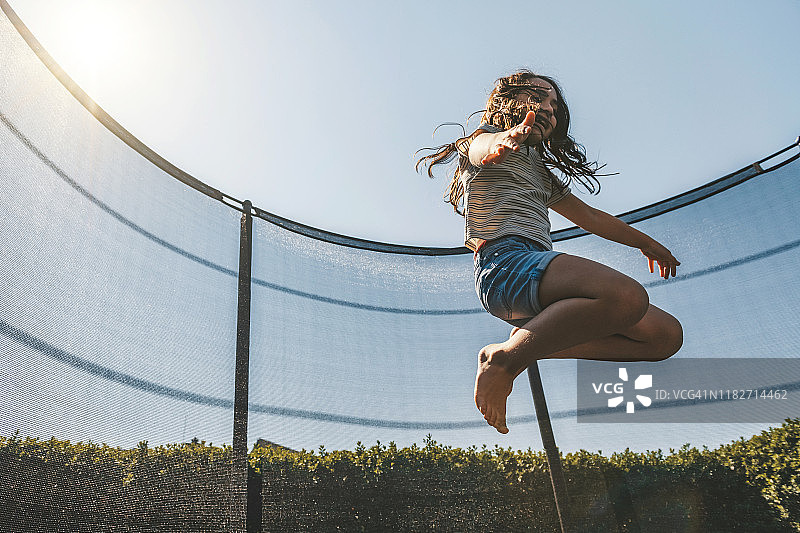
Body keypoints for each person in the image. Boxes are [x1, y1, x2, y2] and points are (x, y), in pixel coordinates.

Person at [416, 70, 683, 434]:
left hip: (532, 278)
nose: (548, 109)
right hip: (505, 267)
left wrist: (646, 243)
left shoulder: (539, 172)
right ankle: (505, 360)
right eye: (538, 97)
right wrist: (504, 140)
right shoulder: (483, 139)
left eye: (554, 106)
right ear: (504, 103)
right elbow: (480, 151)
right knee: (625, 297)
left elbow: (589, 216)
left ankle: (531, 341)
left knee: (664, 336)